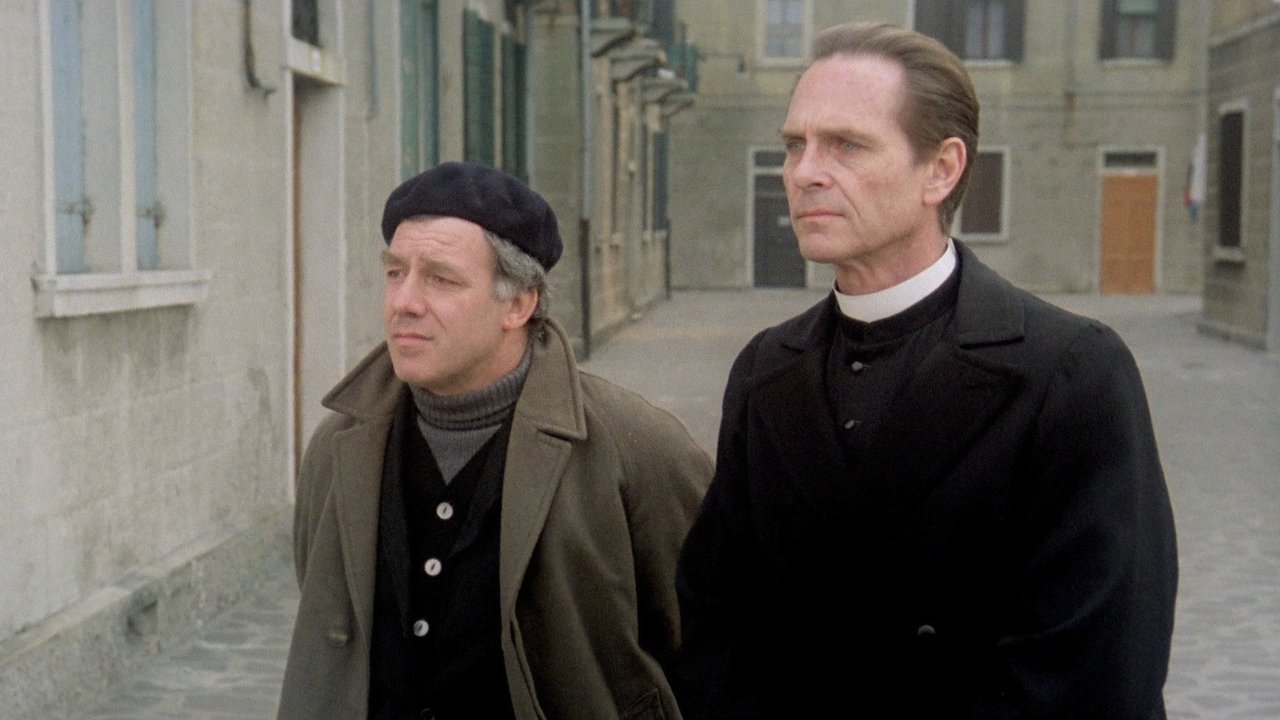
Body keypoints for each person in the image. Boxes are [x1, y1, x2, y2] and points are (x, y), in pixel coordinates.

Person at [675, 21, 1178, 719]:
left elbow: (1094, 670)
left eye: (846, 145)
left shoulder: (1071, 373)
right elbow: (715, 621)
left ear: (941, 170)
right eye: (795, 145)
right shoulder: (766, 370)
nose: (804, 172)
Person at [278, 161, 713, 720]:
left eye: (440, 279)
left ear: (519, 304)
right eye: (395, 272)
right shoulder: (339, 445)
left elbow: (709, 649)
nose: (404, 301)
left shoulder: (638, 449)